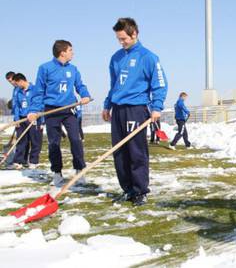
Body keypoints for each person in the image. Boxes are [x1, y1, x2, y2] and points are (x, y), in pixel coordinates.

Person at [102, 18, 167, 206]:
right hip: (118, 110)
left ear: (134, 34)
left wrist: (157, 107)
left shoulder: (148, 57)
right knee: (119, 151)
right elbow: (113, 85)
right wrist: (107, 105)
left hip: (136, 109)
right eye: (118, 39)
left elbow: (160, 84)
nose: (121, 42)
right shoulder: (116, 58)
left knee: (136, 151)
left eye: (124, 39)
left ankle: (140, 191)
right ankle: (128, 189)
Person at [27, 40, 91, 187]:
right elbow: (38, 91)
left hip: (69, 110)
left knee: (76, 140)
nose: (72, 53)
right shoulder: (45, 68)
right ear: (62, 52)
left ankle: (79, 170)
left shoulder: (73, 69)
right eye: (70, 50)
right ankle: (57, 172)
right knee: (54, 143)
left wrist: (85, 95)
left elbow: (80, 85)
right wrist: (33, 110)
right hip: (52, 110)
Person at [11, 73, 43, 169]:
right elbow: (16, 106)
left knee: (35, 140)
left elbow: (40, 104)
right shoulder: (18, 91)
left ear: (21, 81)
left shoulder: (35, 89)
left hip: (34, 118)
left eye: (17, 83)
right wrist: (16, 119)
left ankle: (33, 161)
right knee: (21, 140)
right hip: (22, 118)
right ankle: (19, 161)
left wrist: (41, 120)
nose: (17, 86)